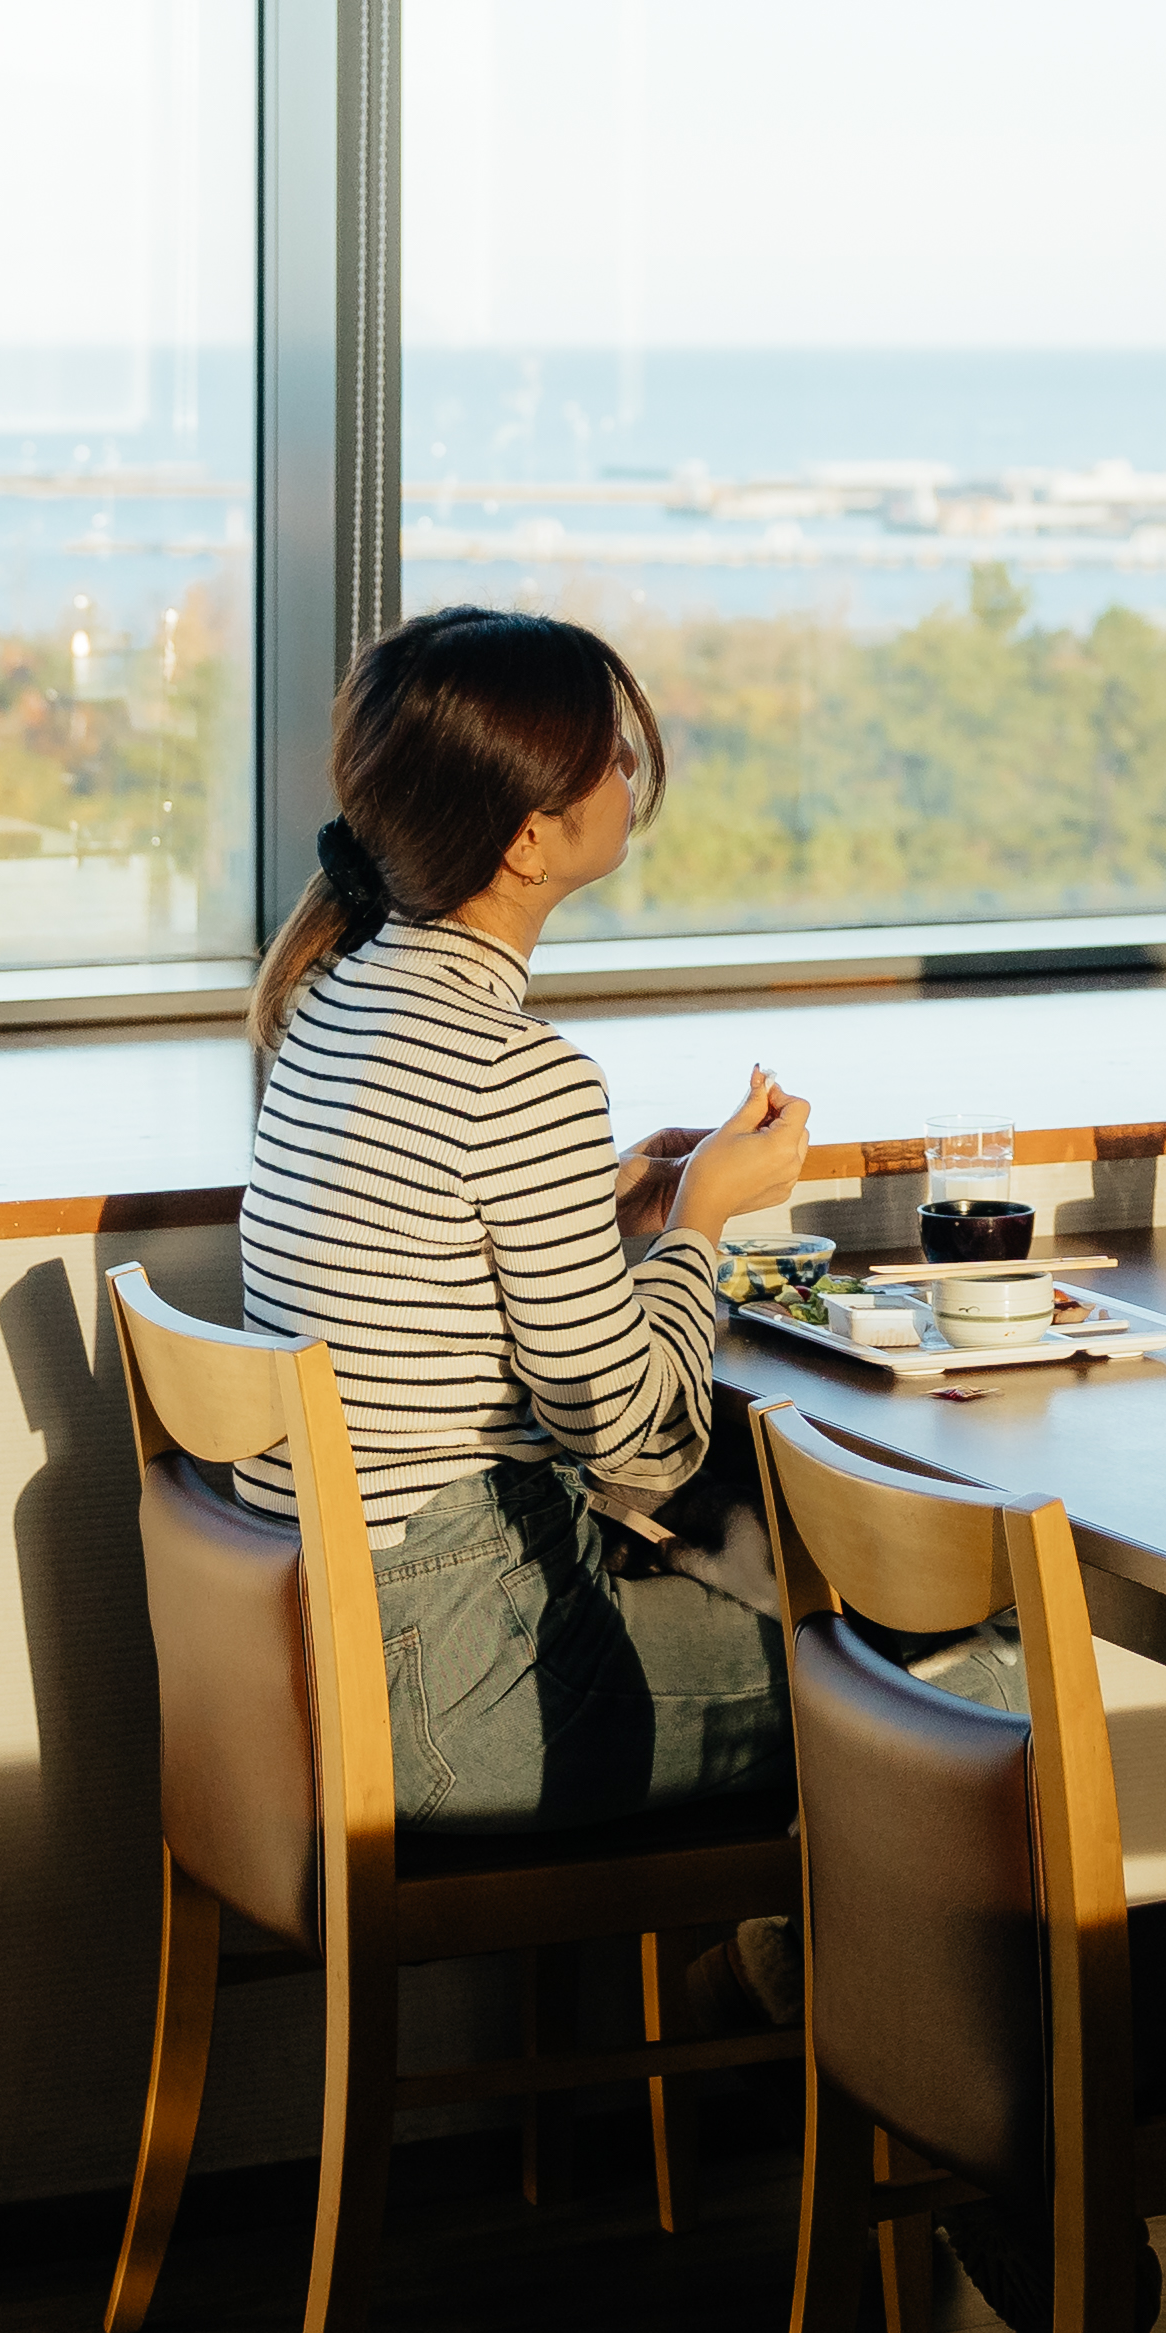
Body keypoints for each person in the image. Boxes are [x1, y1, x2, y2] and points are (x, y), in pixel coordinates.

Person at [231, 604, 811, 1830]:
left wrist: (609, 1197)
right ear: (530, 840)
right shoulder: (516, 1066)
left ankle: (759, 1978)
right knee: (958, 1682)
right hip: (462, 1696)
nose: (629, 773)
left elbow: (418, 1251)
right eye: (606, 755)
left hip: (328, 1670)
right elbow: (640, 1443)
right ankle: (806, 2003)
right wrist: (702, 1219)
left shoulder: (327, 1006)